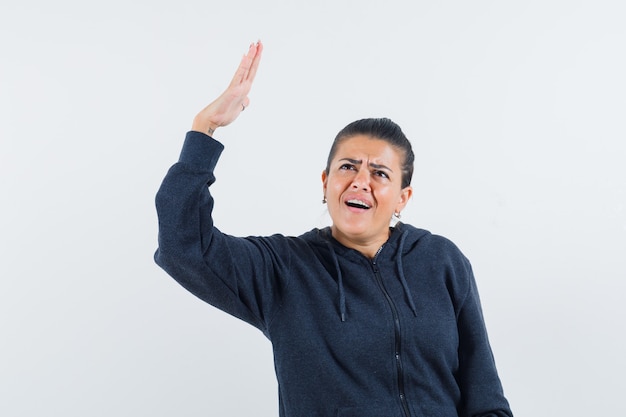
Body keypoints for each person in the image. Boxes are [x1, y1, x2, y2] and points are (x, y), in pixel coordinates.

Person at [154, 41, 513, 417]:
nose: (360, 181)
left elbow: (484, 392)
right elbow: (183, 247)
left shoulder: (442, 260)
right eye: (347, 167)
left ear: (402, 197)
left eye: (379, 173)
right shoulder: (285, 269)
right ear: (325, 182)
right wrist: (205, 129)